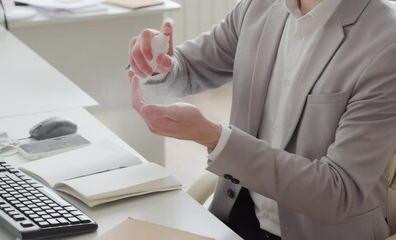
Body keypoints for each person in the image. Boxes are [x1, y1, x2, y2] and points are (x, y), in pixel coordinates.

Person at [127, 0, 396, 239]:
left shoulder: (385, 43)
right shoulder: (258, 6)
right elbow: (187, 67)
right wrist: (156, 62)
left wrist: (213, 137)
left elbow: (338, 192)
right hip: (237, 219)